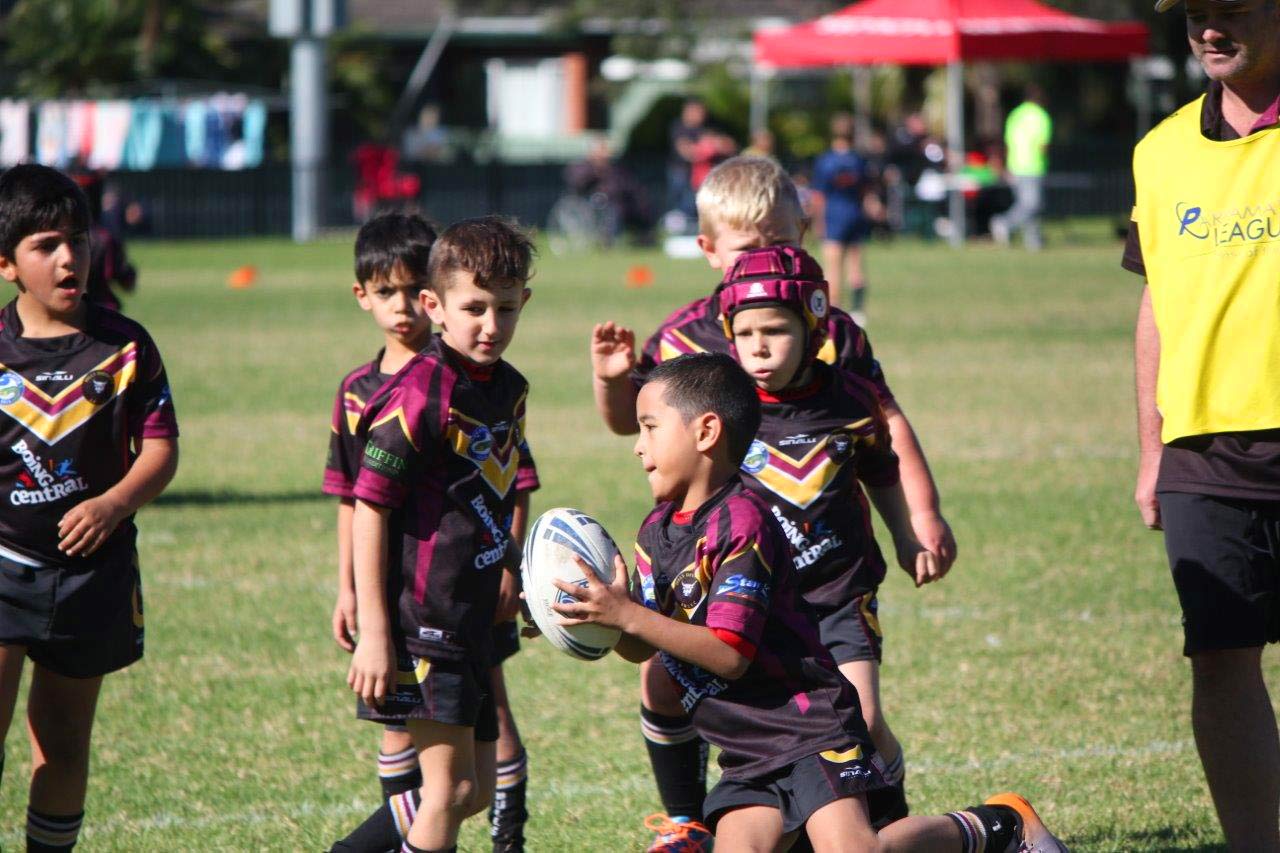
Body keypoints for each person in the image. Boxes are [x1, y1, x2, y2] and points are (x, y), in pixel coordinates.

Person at [554, 352, 1067, 852]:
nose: (637, 447)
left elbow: (729, 654)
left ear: (706, 432)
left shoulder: (742, 522)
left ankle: (1002, 824)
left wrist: (628, 614)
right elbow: (645, 646)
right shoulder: (656, 531)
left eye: (649, 427)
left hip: (806, 729)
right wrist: (593, 619)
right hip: (744, 747)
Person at [590, 154, 956, 851]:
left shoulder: (833, 334)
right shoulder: (684, 339)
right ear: (708, 250)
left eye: (780, 244)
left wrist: (920, 519)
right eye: (746, 251)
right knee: (662, 681)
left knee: (860, 719)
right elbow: (633, 421)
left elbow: (882, 426)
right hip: (730, 568)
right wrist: (612, 383)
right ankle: (687, 820)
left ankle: (887, 819)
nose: (765, 263)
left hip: (831, 577)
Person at [718, 243, 947, 831]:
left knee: (861, 719)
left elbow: (882, 470)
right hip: (761, 601)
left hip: (840, 590)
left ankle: (890, 810)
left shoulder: (852, 399)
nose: (759, 347)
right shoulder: (725, 407)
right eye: (745, 334)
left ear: (813, 326)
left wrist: (907, 534)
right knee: (787, 727)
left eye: (776, 330)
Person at [330, 217, 537, 853]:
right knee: (449, 791)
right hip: (424, 621)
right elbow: (369, 507)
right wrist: (374, 633)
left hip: (470, 615)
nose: (491, 325)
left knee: (472, 790)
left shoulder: (508, 388)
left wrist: (523, 576)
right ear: (435, 306)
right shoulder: (420, 393)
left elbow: (495, 496)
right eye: (473, 309)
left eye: (506, 308)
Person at [1126, 0, 1280, 847]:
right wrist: (1152, 448)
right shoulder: (1161, 149)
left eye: (1231, 7)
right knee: (1219, 659)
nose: (1210, 28)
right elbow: (1158, 298)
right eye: (1195, 12)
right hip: (1203, 448)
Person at [0, 164, 179, 851]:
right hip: (5, 567)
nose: (68, 257)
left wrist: (113, 503)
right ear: (7, 264)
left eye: (76, 239)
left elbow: (160, 449)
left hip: (93, 575)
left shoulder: (125, 346)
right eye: (45, 245)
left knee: (65, 740)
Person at [813, 113, 882, 320]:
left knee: (833, 269)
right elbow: (866, 191)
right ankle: (858, 311)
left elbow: (819, 196)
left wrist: (817, 222)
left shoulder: (825, 161)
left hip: (834, 216)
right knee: (856, 267)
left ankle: (835, 313)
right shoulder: (859, 160)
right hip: (854, 214)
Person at [991, 84, 1052, 251]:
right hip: (1033, 166)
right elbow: (1043, 144)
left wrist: (1006, 164)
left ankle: (1033, 241)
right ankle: (1004, 223)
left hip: (1015, 165)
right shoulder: (1040, 116)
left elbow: (1007, 142)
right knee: (1032, 204)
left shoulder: (1015, 115)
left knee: (1025, 205)